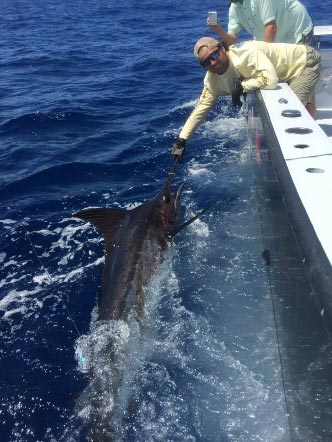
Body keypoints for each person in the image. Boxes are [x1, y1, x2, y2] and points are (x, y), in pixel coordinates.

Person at [172, 36, 321, 160]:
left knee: (293, 115)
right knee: (304, 108)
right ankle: (316, 143)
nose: (212, 63)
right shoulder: (212, 81)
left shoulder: (245, 54)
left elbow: (270, 80)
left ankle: (309, 156)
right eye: (206, 62)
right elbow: (201, 109)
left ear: (222, 49)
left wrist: (242, 87)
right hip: (282, 71)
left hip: (303, 62)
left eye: (214, 55)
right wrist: (182, 139)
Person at [208, 0, 313, 47]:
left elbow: (271, 28)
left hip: (297, 31)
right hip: (276, 40)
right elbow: (232, 41)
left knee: (296, 72)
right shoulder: (234, 8)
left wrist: (265, 57)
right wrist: (219, 30)